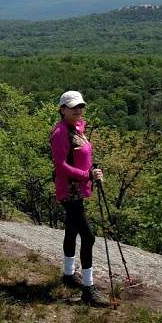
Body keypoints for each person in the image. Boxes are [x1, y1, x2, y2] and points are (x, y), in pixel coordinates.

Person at [51, 90, 109, 307]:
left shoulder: (76, 128)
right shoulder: (60, 133)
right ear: (62, 109)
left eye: (80, 106)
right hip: (69, 192)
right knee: (89, 237)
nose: (78, 110)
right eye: (73, 106)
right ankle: (88, 289)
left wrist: (94, 170)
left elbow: (80, 156)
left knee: (72, 229)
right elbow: (61, 166)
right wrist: (87, 175)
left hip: (78, 190)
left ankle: (68, 274)